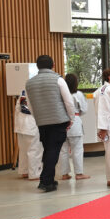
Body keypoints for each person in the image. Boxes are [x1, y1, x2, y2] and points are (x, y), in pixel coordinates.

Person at [24, 55, 74, 192]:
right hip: (58, 120)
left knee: (47, 149)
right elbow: (68, 101)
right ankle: (45, 181)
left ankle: (49, 180)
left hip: (41, 122)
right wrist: (71, 118)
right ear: (53, 65)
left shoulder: (29, 83)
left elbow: (30, 105)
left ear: (38, 66)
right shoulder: (58, 79)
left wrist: (38, 118)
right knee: (53, 151)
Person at [57, 73, 89, 181]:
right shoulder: (78, 94)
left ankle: (64, 174)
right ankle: (79, 173)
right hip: (74, 121)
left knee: (63, 150)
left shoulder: (60, 93)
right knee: (77, 149)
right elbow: (84, 109)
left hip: (61, 122)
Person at [14, 89, 42, 181]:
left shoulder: (23, 93)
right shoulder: (36, 93)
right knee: (34, 150)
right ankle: (34, 174)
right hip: (31, 125)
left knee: (23, 150)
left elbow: (17, 109)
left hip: (20, 126)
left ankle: (24, 171)